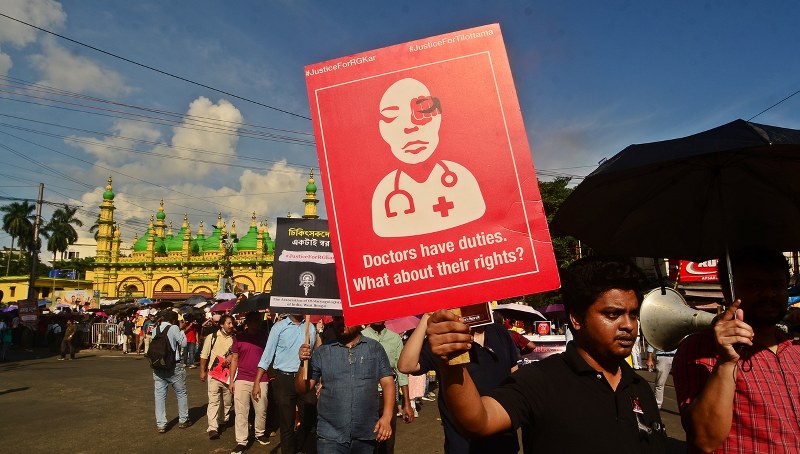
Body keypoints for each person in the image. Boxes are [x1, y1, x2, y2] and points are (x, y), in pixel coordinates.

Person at [424, 256, 666, 453]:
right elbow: (479, 421)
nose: (628, 325)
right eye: (612, 314)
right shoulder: (540, 380)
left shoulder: (639, 387)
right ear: (576, 319)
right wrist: (450, 362)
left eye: (633, 314)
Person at [672, 249, 800, 453]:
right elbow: (705, 440)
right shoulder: (700, 348)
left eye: (777, 285)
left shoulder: (795, 350)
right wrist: (726, 362)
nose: (768, 294)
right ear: (728, 290)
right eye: (754, 286)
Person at [371, 77, 485, 238]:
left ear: (439, 118)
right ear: (381, 129)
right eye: (392, 116)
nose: (409, 126)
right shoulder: (384, 192)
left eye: (422, 111)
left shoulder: (462, 177)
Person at [399, 312, 521, 453]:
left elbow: (514, 372)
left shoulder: (499, 332)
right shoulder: (446, 341)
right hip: (462, 442)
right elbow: (406, 366)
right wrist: (426, 318)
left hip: (503, 439)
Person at [296, 316, 395, 453]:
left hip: (366, 433)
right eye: (337, 319)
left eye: (346, 318)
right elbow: (302, 388)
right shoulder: (322, 351)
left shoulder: (374, 348)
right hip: (330, 436)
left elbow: (388, 383)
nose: (341, 323)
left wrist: (387, 417)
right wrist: (303, 363)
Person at [253, 314, 318, 454]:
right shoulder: (278, 327)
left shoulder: (311, 327)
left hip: (305, 378)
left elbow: (316, 351)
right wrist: (257, 381)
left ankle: (299, 444)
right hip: (284, 379)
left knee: (310, 418)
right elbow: (267, 355)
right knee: (286, 424)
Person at [362, 321, 415, 454]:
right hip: (366, 397)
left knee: (387, 442)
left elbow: (401, 372)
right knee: (367, 441)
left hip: (388, 398)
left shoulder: (395, 339)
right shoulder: (362, 337)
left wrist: (406, 403)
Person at [229, 312, 271, 454]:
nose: (258, 323)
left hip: (261, 378)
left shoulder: (265, 336)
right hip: (242, 377)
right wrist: (232, 380)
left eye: (259, 320)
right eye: (255, 320)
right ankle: (241, 440)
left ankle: (259, 432)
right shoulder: (239, 337)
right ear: (248, 322)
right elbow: (234, 359)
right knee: (241, 411)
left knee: (261, 408)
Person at [152, 310, 191, 433]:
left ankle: (161, 424)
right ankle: (183, 420)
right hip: (174, 366)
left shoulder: (155, 329)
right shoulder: (174, 328)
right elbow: (183, 344)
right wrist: (182, 330)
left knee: (159, 396)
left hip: (158, 365)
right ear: (174, 320)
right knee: (181, 393)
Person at [199, 314, 235, 440]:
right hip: (214, 374)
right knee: (214, 401)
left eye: (232, 323)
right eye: (228, 323)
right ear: (221, 324)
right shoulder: (212, 337)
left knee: (227, 401)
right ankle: (212, 428)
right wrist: (202, 371)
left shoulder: (235, 339)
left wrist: (231, 356)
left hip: (228, 375)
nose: (231, 326)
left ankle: (222, 420)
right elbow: (204, 355)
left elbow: (238, 354)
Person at [645, 344, 676, 409]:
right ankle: (657, 406)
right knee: (659, 384)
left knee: (682, 384)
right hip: (662, 357)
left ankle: (684, 407)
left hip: (678, 356)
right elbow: (651, 342)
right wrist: (649, 359)